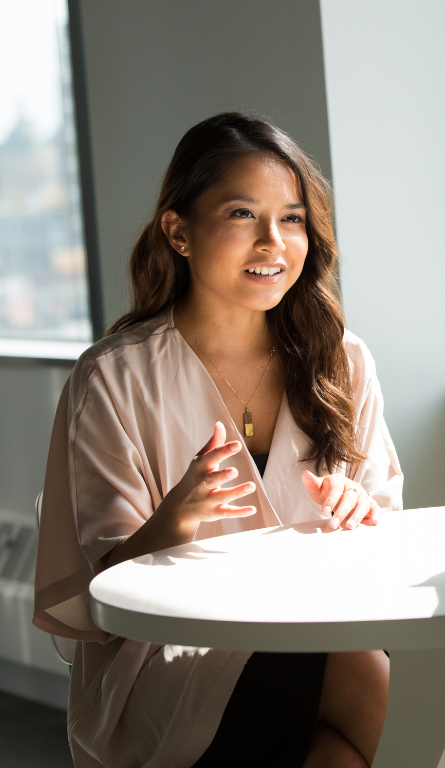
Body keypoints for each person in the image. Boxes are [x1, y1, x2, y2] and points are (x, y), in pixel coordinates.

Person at [33, 113, 402, 768]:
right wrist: (169, 526)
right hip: (167, 663)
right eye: (242, 214)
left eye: (292, 219)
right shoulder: (114, 378)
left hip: (322, 629)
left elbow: (387, 534)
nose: (274, 242)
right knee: (361, 672)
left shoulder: (343, 361)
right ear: (178, 232)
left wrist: (361, 513)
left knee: (349, 708)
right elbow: (100, 599)